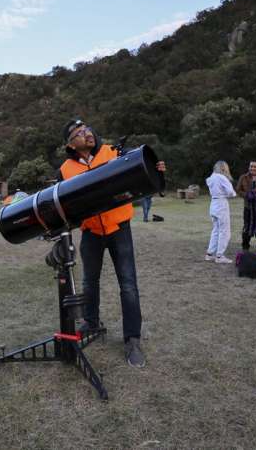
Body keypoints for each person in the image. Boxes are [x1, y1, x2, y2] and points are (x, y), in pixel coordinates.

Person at [59, 119, 166, 368]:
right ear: (70, 143)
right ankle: (92, 322)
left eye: (87, 129)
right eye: (79, 132)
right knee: (89, 282)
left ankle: (132, 339)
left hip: (120, 229)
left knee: (128, 285)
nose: (87, 133)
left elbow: (142, 168)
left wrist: (156, 169)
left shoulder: (113, 152)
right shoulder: (64, 169)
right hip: (91, 233)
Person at [205, 161, 237, 264]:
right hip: (221, 204)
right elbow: (231, 192)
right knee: (224, 231)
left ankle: (210, 254)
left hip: (213, 203)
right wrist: (230, 194)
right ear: (224, 168)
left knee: (216, 230)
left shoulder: (211, 177)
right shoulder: (221, 177)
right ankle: (220, 255)